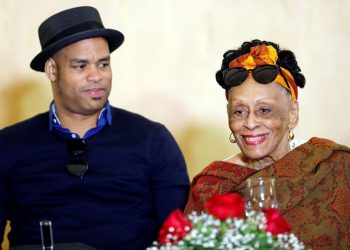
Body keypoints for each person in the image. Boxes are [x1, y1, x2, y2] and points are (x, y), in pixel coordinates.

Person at [0, 6, 190, 250]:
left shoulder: (152, 139)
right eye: (81, 66)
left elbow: (179, 239)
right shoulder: (9, 145)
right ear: (52, 69)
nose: (96, 76)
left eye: (103, 64)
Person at [184, 39, 350, 249]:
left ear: (292, 113)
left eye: (264, 110)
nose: (250, 123)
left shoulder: (332, 167)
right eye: (239, 112)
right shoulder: (212, 185)